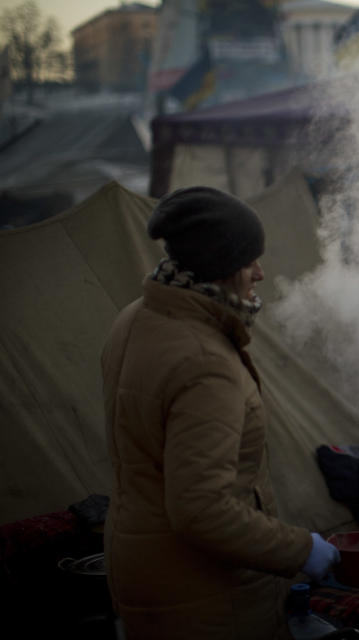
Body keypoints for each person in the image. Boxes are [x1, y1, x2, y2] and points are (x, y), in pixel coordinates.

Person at [100, 186, 340, 639]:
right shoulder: (205, 363)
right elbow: (201, 510)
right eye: (250, 260)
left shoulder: (134, 316)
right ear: (221, 266)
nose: (260, 273)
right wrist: (300, 548)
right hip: (203, 594)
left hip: (142, 568)